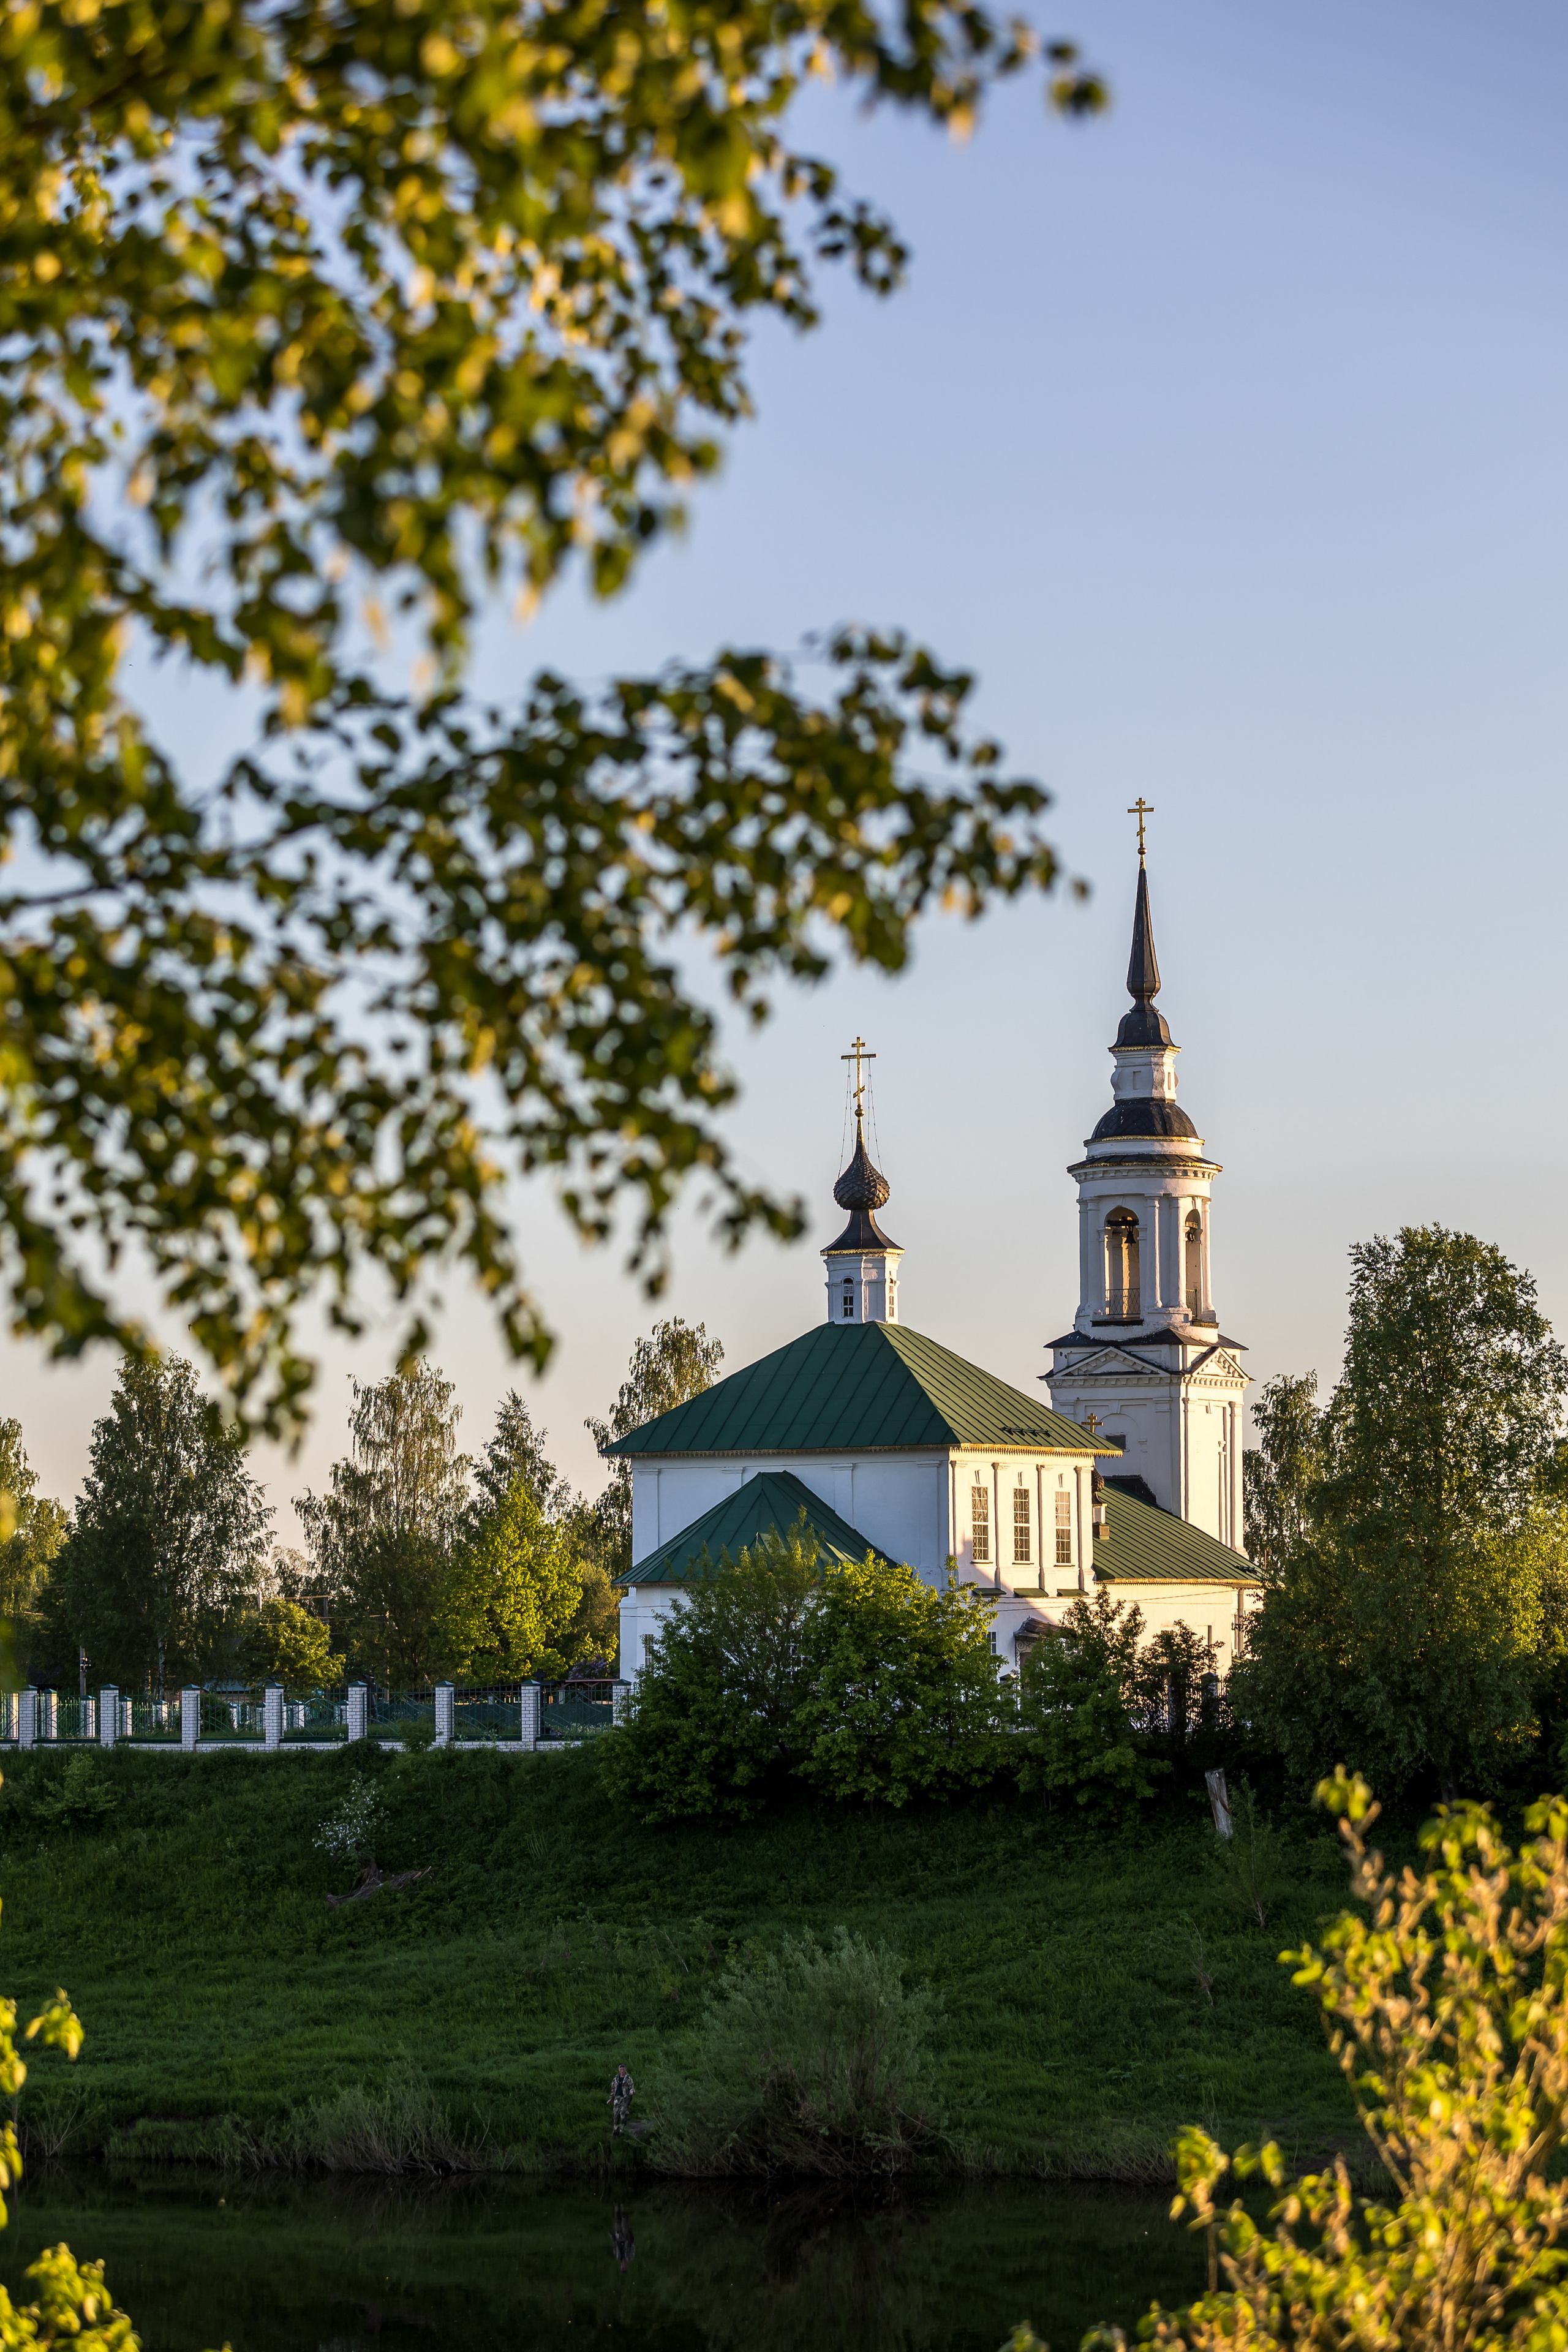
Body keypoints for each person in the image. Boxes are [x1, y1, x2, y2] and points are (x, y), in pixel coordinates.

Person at [608, 2061, 635, 2136]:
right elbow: (613, 2090)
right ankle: (616, 2130)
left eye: (623, 2069)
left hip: (625, 2099)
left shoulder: (628, 2079)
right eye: (621, 2069)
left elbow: (631, 2088)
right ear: (619, 2070)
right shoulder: (616, 2079)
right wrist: (611, 2099)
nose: (622, 2071)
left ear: (625, 2069)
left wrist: (632, 2091)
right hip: (617, 2099)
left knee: (623, 2114)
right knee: (616, 2115)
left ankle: (622, 2130)